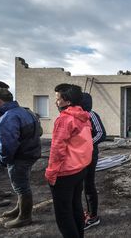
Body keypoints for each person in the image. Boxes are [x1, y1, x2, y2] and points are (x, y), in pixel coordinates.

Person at [0, 88, 41, 228]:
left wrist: (3, 160)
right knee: (23, 183)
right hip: (32, 154)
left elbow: (6, 145)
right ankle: (19, 209)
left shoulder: (7, 118)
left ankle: (24, 217)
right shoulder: (27, 111)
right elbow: (40, 132)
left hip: (20, 157)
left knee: (21, 186)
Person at [45, 84, 93, 238]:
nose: (56, 102)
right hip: (80, 170)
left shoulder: (65, 119)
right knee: (76, 207)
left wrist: (51, 173)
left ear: (67, 101)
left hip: (65, 173)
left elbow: (57, 149)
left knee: (64, 214)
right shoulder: (84, 117)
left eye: (58, 99)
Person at [81, 92, 106, 230]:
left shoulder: (91, 114)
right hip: (80, 156)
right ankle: (89, 212)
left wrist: (87, 145)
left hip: (90, 154)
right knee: (84, 185)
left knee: (89, 185)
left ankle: (93, 216)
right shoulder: (78, 116)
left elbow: (102, 134)